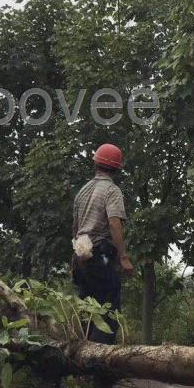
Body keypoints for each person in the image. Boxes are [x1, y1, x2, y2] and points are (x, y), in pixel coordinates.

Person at [72, 144, 134, 343]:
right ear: (116, 168)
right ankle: (99, 365)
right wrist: (123, 257)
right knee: (108, 311)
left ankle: (81, 360)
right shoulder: (112, 190)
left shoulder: (83, 191)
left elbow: (76, 230)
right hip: (101, 256)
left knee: (88, 310)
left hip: (81, 256)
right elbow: (114, 222)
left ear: (96, 162)